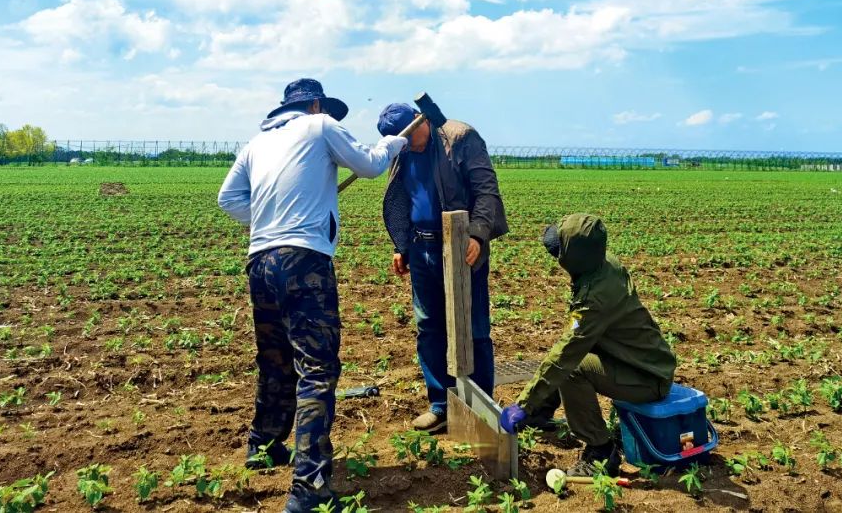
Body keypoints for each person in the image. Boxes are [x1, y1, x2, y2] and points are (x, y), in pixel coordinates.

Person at [218, 79, 407, 513]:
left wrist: (270, 215)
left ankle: (263, 446)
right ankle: (310, 487)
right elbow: (370, 165)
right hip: (304, 260)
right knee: (317, 368)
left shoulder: (256, 144)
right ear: (316, 104)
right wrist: (393, 143)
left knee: (275, 358)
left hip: (260, 261)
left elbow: (228, 199)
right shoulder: (320, 126)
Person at [499, 214, 676, 477]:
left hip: (647, 376)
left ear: (576, 257)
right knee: (568, 352)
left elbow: (566, 355)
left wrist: (524, 404)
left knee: (571, 367)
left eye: (561, 250)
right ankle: (541, 413)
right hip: (637, 359)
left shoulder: (596, 298)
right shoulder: (602, 264)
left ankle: (601, 452)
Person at [376, 102, 510, 435]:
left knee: (473, 328)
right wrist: (401, 246)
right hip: (421, 248)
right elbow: (402, 197)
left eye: (409, 135)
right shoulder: (401, 148)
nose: (407, 143)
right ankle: (441, 404)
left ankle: (479, 406)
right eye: (399, 140)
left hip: (461, 246)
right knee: (429, 327)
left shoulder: (460, 137)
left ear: (422, 121)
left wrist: (477, 234)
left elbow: (485, 191)